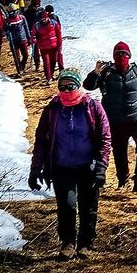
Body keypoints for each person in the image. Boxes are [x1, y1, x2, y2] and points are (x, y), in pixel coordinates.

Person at [29, 68, 111, 260]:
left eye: (71, 86)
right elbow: (41, 139)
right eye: (62, 86)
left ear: (79, 85)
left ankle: (86, 244)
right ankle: (67, 243)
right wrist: (35, 168)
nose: (66, 90)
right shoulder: (52, 109)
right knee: (66, 206)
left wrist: (101, 165)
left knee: (88, 206)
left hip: (87, 165)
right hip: (61, 166)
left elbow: (105, 137)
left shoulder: (92, 106)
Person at [83, 41, 137, 192]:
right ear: (113, 56)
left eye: (125, 54)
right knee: (119, 152)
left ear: (129, 55)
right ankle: (123, 180)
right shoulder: (106, 72)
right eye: (118, 54)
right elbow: (88, 86)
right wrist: (96, 72)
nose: (122, 57)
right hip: (114, 121)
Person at [31, 8, 63, 84]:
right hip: (43, 48)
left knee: (53, 62)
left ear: (47, 17)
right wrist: (34, 39)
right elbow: (33, 35)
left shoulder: (54, 23)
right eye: (42, 19)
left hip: (54, 47)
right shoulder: (37, 25)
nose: (43, 20)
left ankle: (51, 74)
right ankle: (48, 78)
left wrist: (60, 45)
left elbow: (59, 34)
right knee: (46, 62)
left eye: (44, 18)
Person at [4, 3, 31, 72]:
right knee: (16, 57)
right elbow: (4, 31)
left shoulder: (21, 18)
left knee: (25, 55)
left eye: (13, 11)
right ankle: (19, 70)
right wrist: (7, 30)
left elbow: (26, 27)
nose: (11, 13)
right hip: (13, 41)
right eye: (10, 12)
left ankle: (22, 65)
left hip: (22, 39)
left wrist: (29, 37)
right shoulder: (7, 20)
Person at [24, 0, 43, 71]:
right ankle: (37, 63)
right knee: (35, 49)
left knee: (43, 48)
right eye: (35, 6)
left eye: (38, 6)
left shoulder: (41, 11)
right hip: (32, 32)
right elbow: (26, 24)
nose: (37, 7)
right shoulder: (27, 12)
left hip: (41, 32)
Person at [44, 5, 64, 72]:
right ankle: (60, 68)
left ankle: (54, 69)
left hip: (53, 39)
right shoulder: (56, 17)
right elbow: (59, 27)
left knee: (55, 55)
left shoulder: (48, 19)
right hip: (56, 39)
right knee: (59, 54)